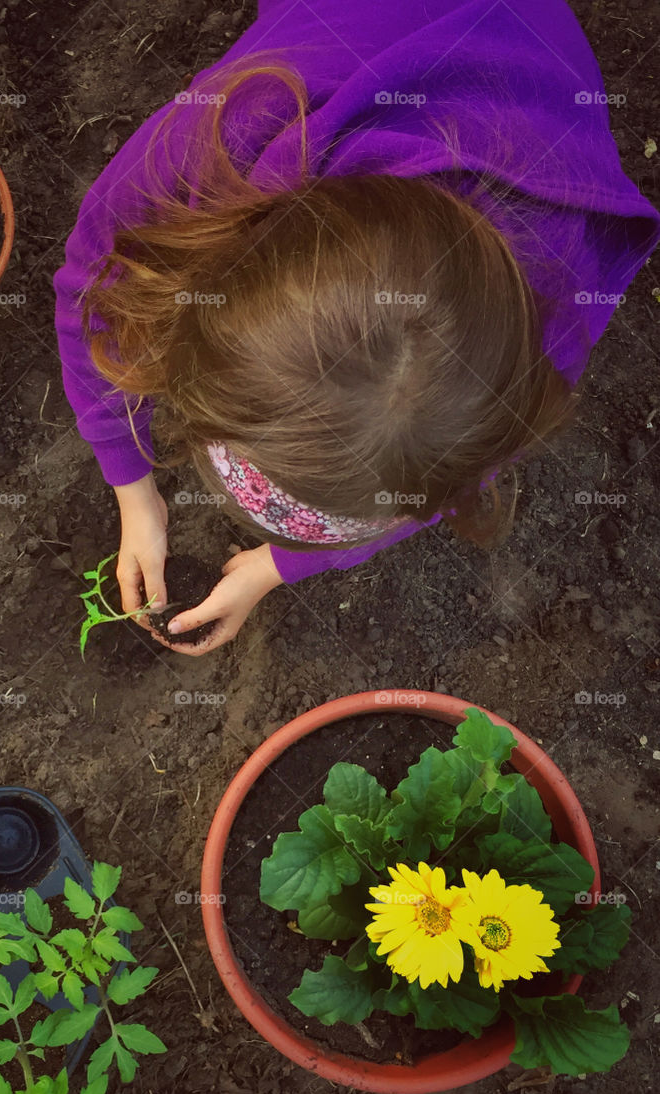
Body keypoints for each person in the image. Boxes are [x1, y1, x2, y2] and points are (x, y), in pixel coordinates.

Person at [54, 0, 660, 655]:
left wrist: (276, 566)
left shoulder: (552, 294)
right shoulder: (226, 133)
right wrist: (132, 489)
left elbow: (444, 478)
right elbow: (93, 284)